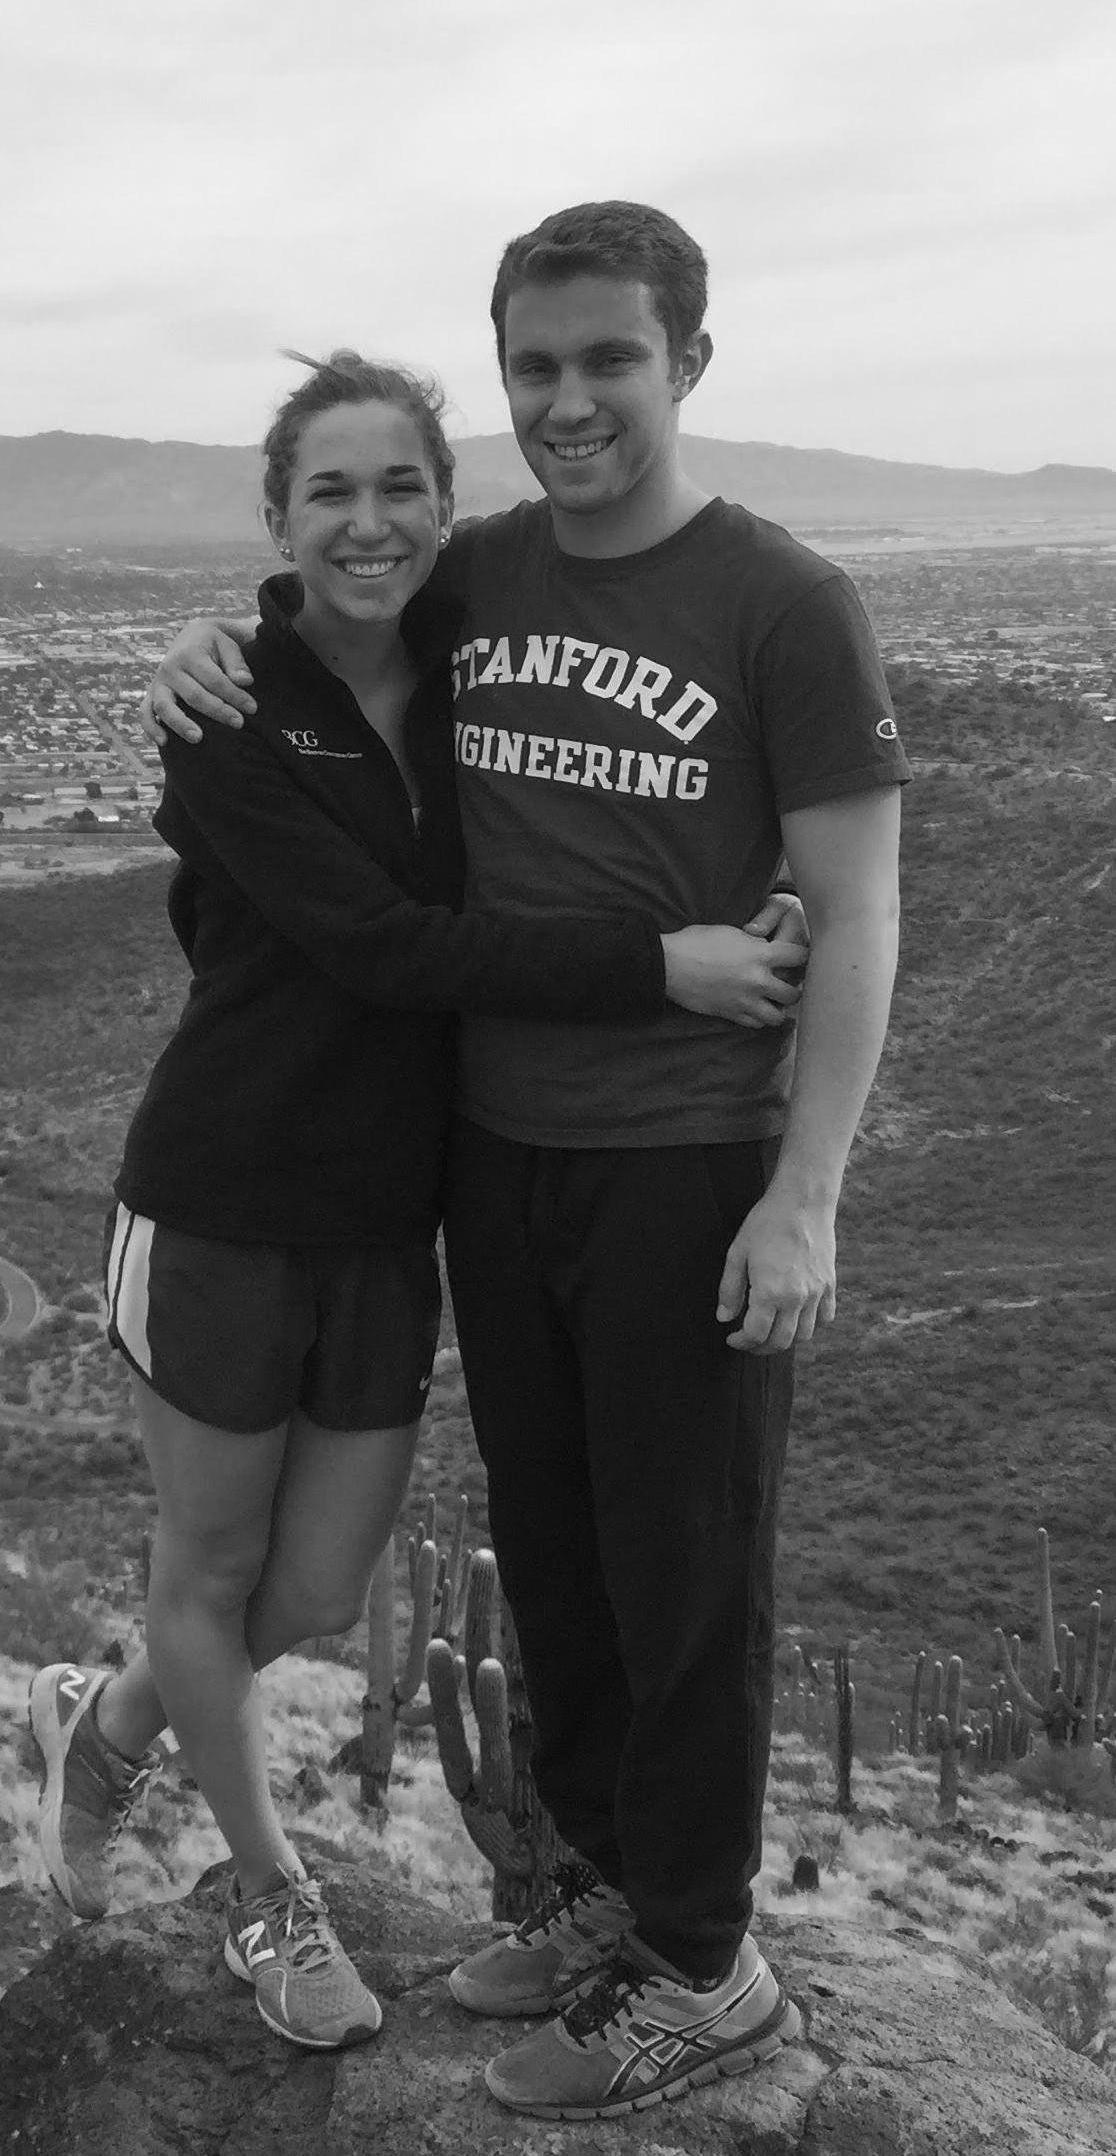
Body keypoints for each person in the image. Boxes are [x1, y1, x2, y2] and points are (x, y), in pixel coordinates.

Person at [142, 202, 907, 2118]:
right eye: (538, 369)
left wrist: (807, 1192)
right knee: (561, 1565)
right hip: (494, 1151)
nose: (570, 403)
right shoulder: (479, 569)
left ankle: (707, 1968)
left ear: (690, 365)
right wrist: (192, 661)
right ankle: (606, 1899)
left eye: (609, 362)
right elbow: (328, 607)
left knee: (687, 1570)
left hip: (686, 1159)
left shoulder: (781, 604)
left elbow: (861, 915)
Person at [30, 345, 806, 2058]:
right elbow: (388, 950)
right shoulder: (230, 721)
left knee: (304, 1595)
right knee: (213, 1565)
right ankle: (274, 1897)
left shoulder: (474, 665)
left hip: (397, 1215)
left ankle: (110, 1721)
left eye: (400, 488)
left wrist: (759, 892)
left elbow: (608, 773)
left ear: (448, 513)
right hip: (225, 1201)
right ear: (279, 516)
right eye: (330, 491)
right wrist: (662, 966)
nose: (368, 521)